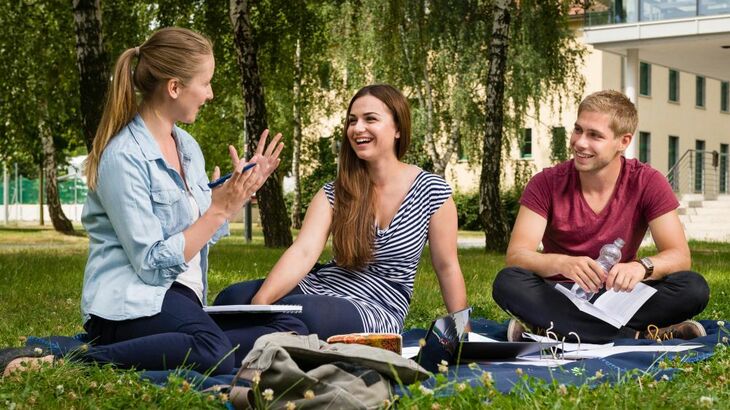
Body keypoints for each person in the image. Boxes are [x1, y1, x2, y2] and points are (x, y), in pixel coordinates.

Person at [2, 27, 307, 378]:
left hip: (179, 298)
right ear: (174, 87)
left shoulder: (187, 146)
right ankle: (68, 360)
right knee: (214, 352)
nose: (210, 94)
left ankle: (95, 348)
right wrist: (219, 208)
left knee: (287, 327)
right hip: (130, 306)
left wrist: (235, 193)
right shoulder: (123, 157)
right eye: (205, 83)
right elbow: (150, 263)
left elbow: (197, 230)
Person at [214, 84, 469, 338]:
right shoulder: (334, 192)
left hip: (377, 306)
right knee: (232, 298)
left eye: (370, 119)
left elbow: (447, 266)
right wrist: (261, 302)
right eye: (352, 121)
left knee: (304, 314)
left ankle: (223, 346)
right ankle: (248, 339)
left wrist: (463, 333)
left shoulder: (432, 192)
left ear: (398, 129)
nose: (357, 128)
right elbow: (303, 252)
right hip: (321, 286)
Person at [492, 90, 710, 344]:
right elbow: (517, 255)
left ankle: (554, 330)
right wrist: (563, 264)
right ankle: (636, 336)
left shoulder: (647, 181)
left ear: (623, 141)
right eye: (578, 130)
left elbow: (679, 256)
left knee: (693, 287)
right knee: (508, 282)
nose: (580, 143)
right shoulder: (546, 183)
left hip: (619, 296)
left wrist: (642, 267)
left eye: (594, 135)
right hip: (560, 294)